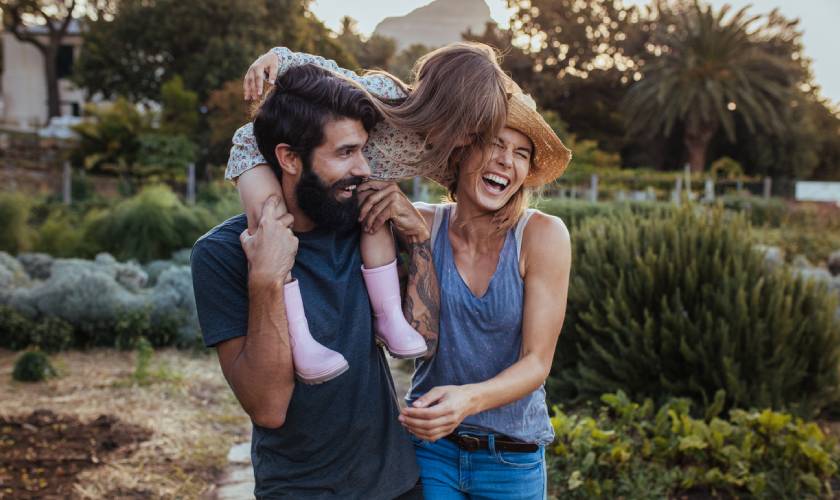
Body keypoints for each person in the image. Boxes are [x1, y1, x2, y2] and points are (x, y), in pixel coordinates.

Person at [235, 45, 573, 499]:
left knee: (374, 204)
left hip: (510, 457)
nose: (503, 160)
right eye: (491, 142)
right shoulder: (409, 181)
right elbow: (332, 78)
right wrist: (278, 56)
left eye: (520, 153)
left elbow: (537, 362)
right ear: (465, 146)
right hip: (431, 447)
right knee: (282, 228)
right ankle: (305, 339)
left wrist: (467, 399)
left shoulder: (540, 234)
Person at [190, 64, 437, 498]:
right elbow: (268, 408)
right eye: (344, 153)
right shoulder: (222, 254)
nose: (362, 168)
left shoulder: (359, 226)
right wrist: (266, 278)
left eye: (362, 150)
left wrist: (416, 236)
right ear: (288, 158)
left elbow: (425, 335)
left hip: (397, 484)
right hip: (299, 490)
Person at [228, 43, 511, 381]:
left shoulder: (441, 148)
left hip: (350, 176)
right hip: (259, 150)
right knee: (270, 223)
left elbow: (471, 181)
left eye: (476, 134)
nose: (467, 140)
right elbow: (329, 71)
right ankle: (299, 338)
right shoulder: (387, 95)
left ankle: (389, 316)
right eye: (466, 128)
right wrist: (277, 59)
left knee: (377, 212)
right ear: (441, 105)